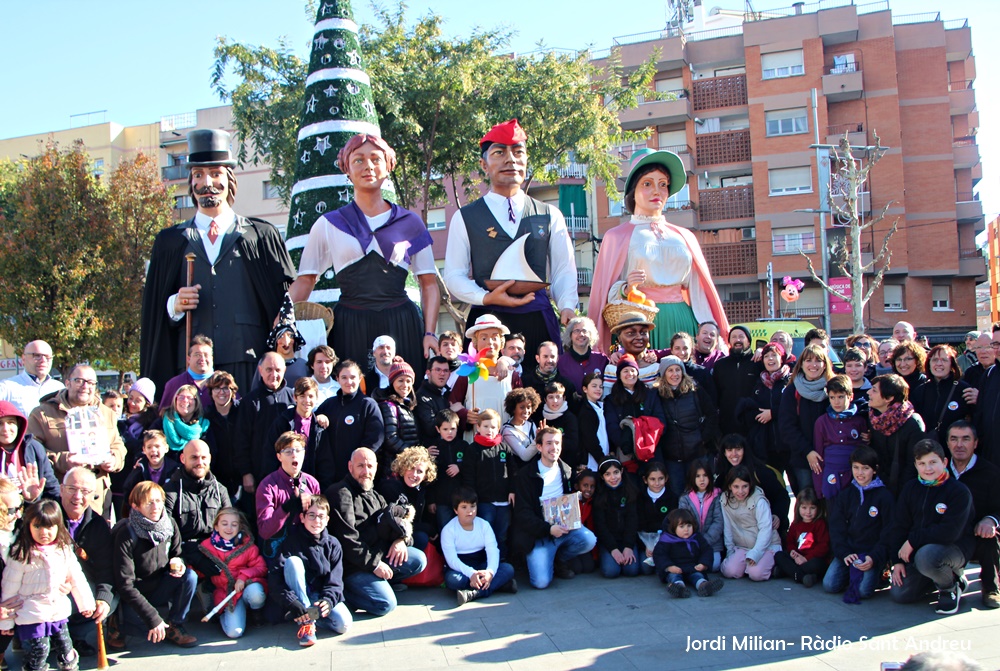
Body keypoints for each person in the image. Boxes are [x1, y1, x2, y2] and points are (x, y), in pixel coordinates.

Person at [140, 128, 295, 395]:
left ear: (229, 178)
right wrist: (174, 305)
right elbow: (154, 310)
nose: (206, 182)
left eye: (215, 173)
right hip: (191, 364)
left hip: (247, 359)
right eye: (198, 174)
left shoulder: (260, 235)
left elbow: (283, 300)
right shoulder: (169, 242)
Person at [289, 133, 439, 372]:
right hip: (349, 325)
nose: (368, 166)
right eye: (358, 160)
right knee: (351, 396)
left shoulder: (410, 222)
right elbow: (306, 279)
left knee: (404, 397)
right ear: (346, 168)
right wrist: (282, 321)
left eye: (376, 159)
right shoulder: (328, 223)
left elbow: (428, 282)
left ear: (388, 166)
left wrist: (430, 332)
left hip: (401, 324)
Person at [443, 119, 577, 353]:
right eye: (499, 152)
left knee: (544, 386)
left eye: (518, 152)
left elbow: (563, 269)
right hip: (486, 323)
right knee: (486, 387)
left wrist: (567, 306)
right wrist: (486, 297)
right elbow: (454, 275)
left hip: (538, 318)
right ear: (483, 165)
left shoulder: (549, 214)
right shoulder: (465, 217)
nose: (510, 160)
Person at [590, 148, 728, 351]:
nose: (657, 191)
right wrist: (626, 288)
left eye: (663, 184)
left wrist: (713, 333)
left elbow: (699, 292)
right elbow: (604, 295)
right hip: (639, 322)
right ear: (633, 191)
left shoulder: (684, 236)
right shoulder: (616, 237)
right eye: (648, 183)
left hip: (683, 321)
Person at [872, 440, 973, 615]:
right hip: (918, 553)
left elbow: (950, 532)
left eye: (933, 462)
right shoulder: (911, 488)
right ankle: (937, 576)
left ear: (944, 462)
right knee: (900, 594)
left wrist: (913, 540)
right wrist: (897, 562)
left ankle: (949, 586)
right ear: (916, 465)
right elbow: (898, 525)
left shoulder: (958, 491)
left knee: (927, 556)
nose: (928, 468)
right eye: (922, 463)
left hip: (952, 548)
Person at [325, 448, 427, 617]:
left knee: (418, 560)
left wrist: (400, 539)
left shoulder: (374, 494)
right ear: (350, 467)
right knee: (386, 604)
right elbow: (348, 542)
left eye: (370, 466)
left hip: (378, 554)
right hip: (354, 566)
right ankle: (347, 595)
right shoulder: (341, 494)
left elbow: (394, 524)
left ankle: (380, 582)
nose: (366, 471)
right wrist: (375, 565)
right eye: (361, 466)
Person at [0, 500, 95, 671]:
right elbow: (10, 589)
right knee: (40, 651)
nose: (44, 532)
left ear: (58, 526)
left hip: (57, 610)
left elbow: (76, 578)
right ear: (29, 527)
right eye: (37, 527)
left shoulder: (63, 550)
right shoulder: (21, 553)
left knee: (66, 648)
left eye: (50, 527)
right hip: (32, 613)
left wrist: (86, 604)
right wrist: (6, 622)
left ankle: (69, 666)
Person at [27, 364, 126, 519]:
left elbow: (118, 445)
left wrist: (114, 460)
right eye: (79, 380)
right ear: (67, 383)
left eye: (91, 382)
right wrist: (62, 460)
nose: (85, 387)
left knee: (94, 541)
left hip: (96, 496)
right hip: (60, 494)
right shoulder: (42, 414)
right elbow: (31, 452)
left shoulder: (106, 413)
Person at [111, 481, 198, 648]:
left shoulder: (169, 524)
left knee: (189, 577)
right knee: (141, 630)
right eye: (149, 502)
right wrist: (153, 618)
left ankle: (174, 625)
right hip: (135, 592)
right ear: (135, 506)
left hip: (160, 585)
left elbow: (178, 553)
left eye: (158, 501)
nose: (155, 506)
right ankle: (117, 624)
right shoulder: (127, 533)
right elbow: (125, 584)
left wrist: (178, 562)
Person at [511, 427, 597, 589]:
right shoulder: (526, 475)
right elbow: (522, 514)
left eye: (557, 443)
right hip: (539, 535)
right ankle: (543, 560)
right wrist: (549, 529)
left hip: (564, 529)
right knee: (541, 582)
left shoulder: (567, 471)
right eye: (549, 443)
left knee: (588, 540)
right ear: (539, 447)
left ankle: (560, 559)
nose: (554, 447)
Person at [268, 494, 353, 645]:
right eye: (311, 516)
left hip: (319, 597)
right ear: (302, 518)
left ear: (327, 520)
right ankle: (306, 624)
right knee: (293, 562)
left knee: (343, 624)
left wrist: (328, 600)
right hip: (300, 595)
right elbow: (275, 578)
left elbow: (335, 580)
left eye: (321, 516)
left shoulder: (333, 544)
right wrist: (291, 601)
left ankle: (304, 616)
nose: (316, 521)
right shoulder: (290, 542)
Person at [823, 446, 895, 601]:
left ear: (875, 470)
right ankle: (853, 574)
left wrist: (874, 557)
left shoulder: (884, 496)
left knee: (862, 592)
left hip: (870, 554)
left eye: (865, 468)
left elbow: (889, 532)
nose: (860, 473)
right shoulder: (846, 494)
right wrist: (844, 553)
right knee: (829, 585)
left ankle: (879, 574)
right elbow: (837, 527)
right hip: (849, 552)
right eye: (856, 467)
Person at [59, 468, 117, 657]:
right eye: (71, 489)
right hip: (49, 586)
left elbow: (106, 568)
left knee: (110, 600)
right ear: (61, 490)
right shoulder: (48, 516)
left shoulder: (98, 525)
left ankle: (75, 637)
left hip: (82, 587)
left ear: (93, 495)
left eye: (84, 491)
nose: (77, 496)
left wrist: (103, 599)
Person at [946, 421, 1000, 609]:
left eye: (965, 439)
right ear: (947, 442)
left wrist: (991, 519)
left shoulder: (991, 473)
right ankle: (949, 583)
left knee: (989, 537)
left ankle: (990, 587)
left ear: (975, 443)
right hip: (946, 536)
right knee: (904, 594)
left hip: (978, 535)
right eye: (954, 439)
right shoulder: (938, 471)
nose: (959, 444)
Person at [162, 439, 232, 577]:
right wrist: (193, 555)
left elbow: (231, 527)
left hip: (215, 551)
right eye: (194, 457)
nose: (200, 462)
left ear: (210, 458)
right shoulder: (170, 491)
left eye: (204, 457)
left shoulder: (220, 490)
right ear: (183, 458)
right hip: (183, 553)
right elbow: (165, 534)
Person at [441, 486, 517, 606]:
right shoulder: (449, 530)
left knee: (508, 569)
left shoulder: (484, 525)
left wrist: (490, 573)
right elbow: (452, 560)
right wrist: (471, 574)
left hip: (481, 565)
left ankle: (474, 593)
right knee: (452, 579)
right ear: (456, 510)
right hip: (461, 569)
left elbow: (493, 550)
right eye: (464, 507)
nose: (469, 511)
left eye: (473, 506)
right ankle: (499, 586)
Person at [197, 507, 267, 639]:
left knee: (256, 594)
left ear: (240, 527)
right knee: (234, 633)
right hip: (226, 593)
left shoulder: (247, 546)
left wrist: (243, 577)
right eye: (224, 524)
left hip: (245, 588)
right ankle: (224, 614)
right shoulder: (206, 547)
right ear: (216, 526)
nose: (229, 528)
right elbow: (198, 570)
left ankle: (255, 611)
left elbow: (261, 567)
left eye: (234, 525)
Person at [314, 360, 384, 489]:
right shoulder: (329, 404)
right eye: (344, 378)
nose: (349, 382)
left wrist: (359, 464)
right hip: (329, 476)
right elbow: (312, 425)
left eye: (353, 377)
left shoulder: (368, 405)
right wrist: (318, 417)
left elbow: (375, 439)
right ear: (337, 379)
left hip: (356, 477)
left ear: (360, 379)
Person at [449, 315, 522, 435]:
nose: (490, 342)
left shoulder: (512, 375)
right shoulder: (467, 374)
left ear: (501, 342)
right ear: (476, 343)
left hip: (505, 442)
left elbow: (521, 406)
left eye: (495, 338)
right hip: (475, 441)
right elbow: (453, 403)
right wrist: (465, 415)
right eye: (484, 338)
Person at [235, 353, 296, 496]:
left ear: (284, 371)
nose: (274, 374)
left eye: (278, 370)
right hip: (259, 474)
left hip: (290, 473)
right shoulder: (250, 401)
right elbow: (240, 439)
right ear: (260, 370)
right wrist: (246, 472)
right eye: (269, 370)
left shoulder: (293, 398)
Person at [656, 355, 718, 494]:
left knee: (701, 493)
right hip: (672, 458)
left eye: (678, 370)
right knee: (678, 494)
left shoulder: (695, 390)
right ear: (664, 373)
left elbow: (711, 414)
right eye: (670, 370)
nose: (674, 374)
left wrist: (703, 438)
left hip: (696, 454)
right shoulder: (657, 394)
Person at [778, 344, 834, 494]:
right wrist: (807, 451)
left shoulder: (833, 388)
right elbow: (787, 427)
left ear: (825, 364)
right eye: (808, 360)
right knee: (808, 504)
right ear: (801, 364)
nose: (813, 365)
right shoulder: (792, 391)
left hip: (831, 457)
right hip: (803, 458)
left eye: (818, 360)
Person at [714, 434, 790, 539]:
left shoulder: (760, 472)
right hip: (738, 533)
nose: (734, 454)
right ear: (724, 453)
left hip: (766, 529)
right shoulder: (723, 476)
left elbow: (782, 495)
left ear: (745, 450)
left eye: (738, 449)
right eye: (729, 450)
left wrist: (777, 515)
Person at [461, 409, 514, 558]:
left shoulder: (504, 448)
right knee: (486, 533)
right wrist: (473, 499)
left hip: (504, 501)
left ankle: (502, 560)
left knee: (502, 533)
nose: (489, 430)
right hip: (484, 501)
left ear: (498, 428)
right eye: (485, 426)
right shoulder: (473, 450)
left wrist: (512, 490)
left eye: (493, 427)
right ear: (478, 427)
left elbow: (512, 472)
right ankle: (486, 561)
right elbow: (469, 476)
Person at [603, 354, 666, 476]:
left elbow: (661, 420)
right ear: (619, 375)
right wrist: (628, 443)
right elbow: (612, 426)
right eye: (625, 371)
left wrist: (648, 440)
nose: (629, 374)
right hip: (626, 453)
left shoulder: (650, 394)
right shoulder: (611, 400)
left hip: (651, 450)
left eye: (632, 370)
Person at [255, 432, 321, 545]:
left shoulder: (312, 483)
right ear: (279, 457)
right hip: (280, 551)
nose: (294, 455)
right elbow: (265, 531)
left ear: (304, 454)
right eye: (288, 451)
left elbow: (319, 519)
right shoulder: (268, 486)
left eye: (298, 450)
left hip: (306, 546)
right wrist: (286, 508)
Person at [719, 464, 781, 582]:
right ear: (730, 486)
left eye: (745, 486)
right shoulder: (725, 500)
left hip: (765, 546)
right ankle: (746, 566)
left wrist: (756, 553)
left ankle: (775, 566)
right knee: (729, 571)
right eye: (736, 487)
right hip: (742, 546)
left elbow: (765, 529)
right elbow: (728, 527)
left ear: (750, 485)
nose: (740, 491)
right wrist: (730, 551)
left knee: (756, 574)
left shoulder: (759, 500)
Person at [869, 373, 927, 497]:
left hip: (904, 492)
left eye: (874, 390)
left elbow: (913, 465)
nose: (869, 393)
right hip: (880, 488)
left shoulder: (912, 423)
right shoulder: (875, 420)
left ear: (889, 397)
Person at [811, 375, 867, 499]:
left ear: (850, 396)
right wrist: (819, 487)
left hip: (854, 475)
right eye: (832, 397)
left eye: (841, 397)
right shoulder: (822, 422)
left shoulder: (859, 421)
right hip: (831, 475)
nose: (836, 402)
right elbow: (818, 456)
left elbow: (864, 451)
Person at [738, 341, 791, 472]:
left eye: (774, 355)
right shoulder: (759, 383)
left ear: (782, 358)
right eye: (766, 356)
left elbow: (795, 408)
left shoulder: (791, 381)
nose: (770, 359)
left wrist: (773, 413)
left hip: (789, 444)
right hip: (767, 447)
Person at [263, 377, 326, 480]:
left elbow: (325, 461)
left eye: (311, 396)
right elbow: (270, 454)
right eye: (302, 396)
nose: (307, 400)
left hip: (310, 481)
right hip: (284, 480)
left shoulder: (319, 427)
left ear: (316, 398)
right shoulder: (283, 422)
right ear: (295, 397)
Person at [653, 508, 724, 598]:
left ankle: (704, 586)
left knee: (698, 576)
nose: (686, 530)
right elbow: (659, 555)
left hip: (692, 566)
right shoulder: (666, 540)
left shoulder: (696, 537)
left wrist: (703, 564)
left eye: (689, 526)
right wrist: (668, 567)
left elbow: (707, 550)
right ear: (673, 527)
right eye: (681, 526)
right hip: (675, 568)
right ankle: (679, 588)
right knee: (674, 577)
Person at [378, 446, 437, 550]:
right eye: (411, 468)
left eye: (419, 471)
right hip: (389, 536)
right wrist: (427, 528)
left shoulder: (421, 489)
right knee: (421, 537)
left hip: (407, 533)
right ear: (403, 467)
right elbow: (393, 522)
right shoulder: (391, 487)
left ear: (425, 475)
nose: (414, 474)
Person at [911, 345, 972, 445]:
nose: (939, 364)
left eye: (944, 360)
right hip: (929, 448)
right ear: (929, 363)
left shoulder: (963, 389)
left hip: (956, 447)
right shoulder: (920, 391)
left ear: (951, 364)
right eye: (935, 360)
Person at [0, 400, 60, 501]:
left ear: (19, 425)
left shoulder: (33, 448)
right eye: (0, 423)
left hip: (29, 513)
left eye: (11, 422)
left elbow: (52, 489)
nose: (6, 429)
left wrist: (32, 499)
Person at [592, 458, 640, 579]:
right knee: (611, 572)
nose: (613, 477)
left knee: (632, 570)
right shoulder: (599, 496)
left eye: (616, 472)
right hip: (609, 542)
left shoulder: (630, 491)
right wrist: (613, 549)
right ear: (602, 477)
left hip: (626, 540)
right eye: (607, 474)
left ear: (622, 471)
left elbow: (632, 520)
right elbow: (600, 526)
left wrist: (628, 546)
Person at [773, 487, 830, 587]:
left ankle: (789, 572)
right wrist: (793, 552)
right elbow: (790, 542)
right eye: (804, 508)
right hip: (797, 558)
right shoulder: (796, 524)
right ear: (798, 507)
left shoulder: (820, 524)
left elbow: (823, 546)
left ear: (818, 508)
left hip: (812, 559)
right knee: (779, 555)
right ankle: (803, 577)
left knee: (818, 564)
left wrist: (806, 558)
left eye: (812, 508)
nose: (808, 512)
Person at [374, 357, 420, 478]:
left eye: (409, 381)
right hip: (394, 468)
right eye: (400, 380)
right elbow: (391, 438)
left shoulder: (407, 405)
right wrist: (414, 454)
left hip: (407, 466)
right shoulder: (388, 405)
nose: (405, 385)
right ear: (392, 382)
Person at [713, 325, 761, 437]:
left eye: (741, 336)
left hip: (753, 424)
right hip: (727, 425)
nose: (737, 340)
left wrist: (762, 351)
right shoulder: (720, 365)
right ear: (729, 341)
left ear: (748, 341)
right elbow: (716, 395)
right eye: (734, 337)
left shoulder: (758, 363)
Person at [120, 430, 180, 521]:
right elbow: (128, 492)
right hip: (142, 518)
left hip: (168, 517)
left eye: (157, 446)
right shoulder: (139, 470)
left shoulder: (175, 470)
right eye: (149, 447)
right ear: (144, 450)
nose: (153, 450)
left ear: (166, 448)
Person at [678, 458, 723, 572]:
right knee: (691, 563)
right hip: (692, 542)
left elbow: (718, 521)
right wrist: (695, 541)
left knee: (714, 565)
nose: (702, 480)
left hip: (712, 543)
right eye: (698, 476)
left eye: (705, 475)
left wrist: (705, 540)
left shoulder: (717, 495)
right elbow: (683, 522)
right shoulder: (685, 498)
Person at [258, 294, 311, 390]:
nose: (286, 341)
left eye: (290, 336)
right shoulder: (264, 363)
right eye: (281, 336)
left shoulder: (303, 365)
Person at [601, 312, 662, 393]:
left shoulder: (656, 368)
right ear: (619, 338)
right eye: (630, 333)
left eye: (643, 332)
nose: (639, 337)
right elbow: (607, 400)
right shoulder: (612, 369)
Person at [203, 371, 241, 497]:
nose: (221, 392)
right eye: (217, 388)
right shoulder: (205, 417)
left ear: (232, 390)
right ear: (211, 392)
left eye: (225, 388)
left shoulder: (242, 412)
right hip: (216, 480)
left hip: (243, 479)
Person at [0, 340, 63, 416]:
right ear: (23, 359)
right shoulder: (7, 388)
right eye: (37, 355)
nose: (43, 360)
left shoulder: (59, 388)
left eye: (47, 357)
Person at [428, 409, 468, 530]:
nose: (449, 432)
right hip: (442, 500)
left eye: (453, 429)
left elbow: (472, 467)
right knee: (445, 529)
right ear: (438, 429)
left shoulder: (464, 446)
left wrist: (459, 467)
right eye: (445, 429)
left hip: (462, 499)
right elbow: (429, 477)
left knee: (463, 528)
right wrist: (431, 500)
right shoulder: (433, 448)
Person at [636, 462, 677, 569]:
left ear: (666, 478)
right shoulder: (640, 498)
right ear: (645, 480)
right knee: (646, 568)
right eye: (652, 479)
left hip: (666, 542)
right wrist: (645, 546)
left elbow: (673, 525)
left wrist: (661, 544)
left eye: (660, 478)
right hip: (646, 544)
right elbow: (638, 525)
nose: (657, 483)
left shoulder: (672, 498)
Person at [520, 341, 577, 417]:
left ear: (557, 358)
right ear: (538, 358)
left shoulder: (567, 385)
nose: (549, 360)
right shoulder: (525, 382)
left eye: (552, 357)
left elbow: (573, 413)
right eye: (545, 356)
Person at [159, 335, 215, 409]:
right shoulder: (174, 384)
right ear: (188, 359)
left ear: (212, 358)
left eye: (206, 355)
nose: (202, 359)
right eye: (197, 355)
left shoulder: (223, 383)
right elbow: (164, 414)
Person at [558, 317, 610, 396]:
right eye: (576, 331)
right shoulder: (560, 362)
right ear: (570, 336)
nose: (581, 334)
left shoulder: (602, 359)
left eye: (584, 331)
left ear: (591, 334)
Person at [153, 384, 209, 454]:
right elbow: (147, 443)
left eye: (189, 398)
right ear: (175, 401)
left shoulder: (204, 426)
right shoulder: (161, 422)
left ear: (196, 401)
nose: (185, 400)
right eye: (181, 397)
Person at [540, 382, 582, 470]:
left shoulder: (570, 418)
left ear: (564, 398)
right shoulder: (540, 417)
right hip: (544, 465)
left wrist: (551, 438)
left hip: (566, 465)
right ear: (545, 399)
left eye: (558, 397)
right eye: (551, 397)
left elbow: (573, 444)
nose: (555, 401)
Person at [414, 356, 452, 447]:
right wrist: (451, 411)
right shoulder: (421, 397)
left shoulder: (448, 393)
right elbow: (431, 429)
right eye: (437, 370)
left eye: (445, 370)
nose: (442, 373)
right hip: (433, 451)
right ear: (428, 373)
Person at [577, 372, 610, 471]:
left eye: (601, 386)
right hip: (593, 462)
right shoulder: (585, 411)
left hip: (604, 456)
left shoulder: (600, 407)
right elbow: (590, 440)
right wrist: (602, 459)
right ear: (585, 389)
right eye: (594, 386)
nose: (598, 389)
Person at [842, 347, 872, 419]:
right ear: (845, 368)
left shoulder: (872, 391)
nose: (853, 369)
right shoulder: (838, 390)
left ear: (865, 368)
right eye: (849, 366)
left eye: (858, 365)